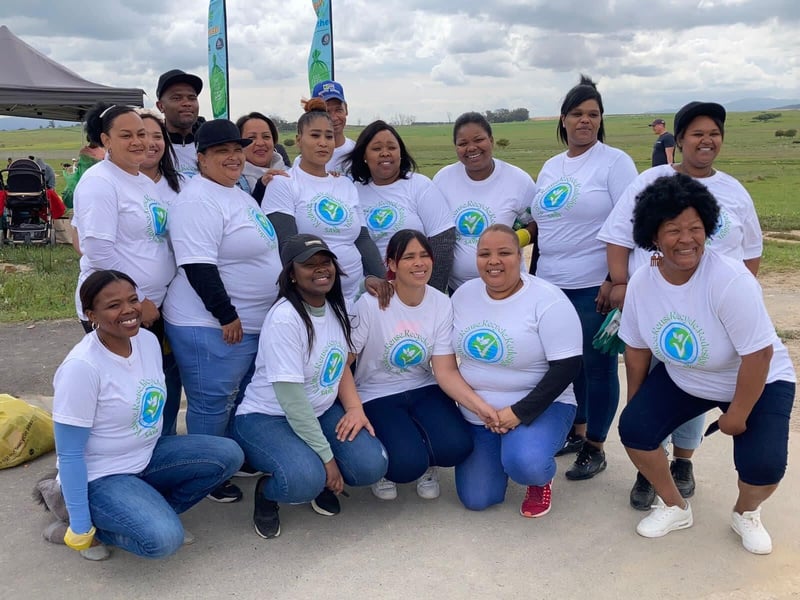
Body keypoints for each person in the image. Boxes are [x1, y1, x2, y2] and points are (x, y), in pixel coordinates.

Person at [617, 173, 795, 555]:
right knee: (634, 430)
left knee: (764, 468)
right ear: (653, 237)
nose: (687, 239)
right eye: (673, 230)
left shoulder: (729, 280)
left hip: (757, 378)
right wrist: (636, 402)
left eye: (695, 228)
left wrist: (738, 414)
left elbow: (759, 355)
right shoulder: (642, 283)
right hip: (687, 377)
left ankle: (746, 512)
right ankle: (675, 506)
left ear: (708, 229)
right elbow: (636, 349)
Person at [598, 101, 763, 509]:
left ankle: (683, 462)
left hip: (711, 311)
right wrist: (621, 283)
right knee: (652, 382)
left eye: (714, 134)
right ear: (681, 138)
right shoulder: (651, 180)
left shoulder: (735, 192)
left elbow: (751, 252)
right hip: (656, 304)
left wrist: (740, 301)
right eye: (697, 134)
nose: (706, 141)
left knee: (696, 376)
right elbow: (618, 236)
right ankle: (647, 467)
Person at [46, 270, 243, 560]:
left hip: (147, 456)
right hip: (101, 475)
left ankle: (156, 516)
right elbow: (70, 453)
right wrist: (80, 526)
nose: (129, 310)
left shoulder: (148, 342)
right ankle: (85, 528)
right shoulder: (82, 367)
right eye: (114, 305)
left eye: (133, 299)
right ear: (91, 315)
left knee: (228, 454)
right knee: (163, 541)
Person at [232, 234, 388, 538]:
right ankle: (269, 492)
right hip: (268, 417)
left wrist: (354, 409)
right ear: (291, 274)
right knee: (305, 478)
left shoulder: (336, 307)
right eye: (309, 264)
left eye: (325, 262)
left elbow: (338, 364)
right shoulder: (285, 319)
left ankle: (315, 473)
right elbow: (292, 401)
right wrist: (328, 459)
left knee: (371, 465)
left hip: (320, 411)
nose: (320, 269)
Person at [162, 119, 282, 503]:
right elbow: (198, 265)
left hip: (247, 323)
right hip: (210, 324)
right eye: (221, 151)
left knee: (238, 397)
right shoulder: (197, 200)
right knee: (212, 402)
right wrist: (226, 314)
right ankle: (207, 472)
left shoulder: (236, 192)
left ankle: (229, 457)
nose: (233, 157)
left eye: (236, 149)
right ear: (201, 158)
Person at [530, 75, 638, 479]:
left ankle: (596, 445)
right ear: (563, 119)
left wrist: (616, 278)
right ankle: (576, 431)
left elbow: (631, 223)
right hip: (550, 285)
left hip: (594, 286)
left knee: (598, 367)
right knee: (565, 366)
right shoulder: (551, 166)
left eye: (593, 114)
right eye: (577, 113)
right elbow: (542, 225)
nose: (585, 121)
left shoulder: (615, 162)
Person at [451, 225, 583, 517]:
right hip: (479, 413)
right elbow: (446, 362)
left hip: (540, 406)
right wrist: (481, 408)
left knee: (527, 464)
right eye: (484, 254)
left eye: (504, 253)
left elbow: (567, 367)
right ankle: (504, 451)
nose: (493, 261)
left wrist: (518, 413)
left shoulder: (548, 300)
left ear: (520, 256)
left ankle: (538, 478)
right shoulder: (463, 295)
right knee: (477, 498)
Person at [351, 230, 478, 500]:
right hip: (376, 392)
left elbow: (443, 369)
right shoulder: (370, 303)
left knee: (457, 447)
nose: (419, 263)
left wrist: (482, 408)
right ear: (392, 264)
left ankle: (428, 462)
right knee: (406, 465)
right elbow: (343, 363)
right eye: (409, 257)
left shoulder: (441, 302)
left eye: (424, 255)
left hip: (423, 385)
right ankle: (389, 466)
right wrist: (352, 408)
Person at [264, 98, 389, 305]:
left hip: (356, 296)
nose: (323, 142)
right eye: (315, 135)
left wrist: (383, 281)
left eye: (329, 136)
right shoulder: (283, 183)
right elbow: (286, 246)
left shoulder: (345, 184)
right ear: (299, 140)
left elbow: (362, 239)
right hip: (313, 299)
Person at [71, 103, 175, 338]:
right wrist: (137, 300)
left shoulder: (143, 181)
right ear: (106, 140)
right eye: (126, 136)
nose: (138, 142)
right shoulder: (100, 182)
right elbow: (99, 252)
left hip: (151, 304)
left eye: (141, 134)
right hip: (120, 308)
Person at [433, 112, 537, 292]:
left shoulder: (519, 181)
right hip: (458, 290)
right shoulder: (442, 179)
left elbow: (538, 224)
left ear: (491, 141)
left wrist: (517, 239)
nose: (471, 148)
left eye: (478, 140)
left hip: (508, 288)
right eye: (462, 143)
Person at [348, 121, 455, 292]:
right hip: (373, 291)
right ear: (364, 156)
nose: (385, 153)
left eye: (392, 147)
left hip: (418, 289)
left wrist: (430, 293)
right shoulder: (353, 191)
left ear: (401, 153)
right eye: (376, 148)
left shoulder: (419, 185)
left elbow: (442, 241)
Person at [137, 108, 184, 435]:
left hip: (174, 298)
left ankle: (165, 439)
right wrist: (137, 298)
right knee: (138, 377)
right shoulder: (113, 182)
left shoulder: (178, 185)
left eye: (157, 136)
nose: (150, 143)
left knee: (170, 371)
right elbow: (89, 246)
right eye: (141, 135)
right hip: (135, 303)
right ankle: (138, 444)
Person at [292, 80, 354, 174]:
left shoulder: (358, 152)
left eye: (338, 110)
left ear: (346, 110)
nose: (334, 118)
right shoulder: (301, 162)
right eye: (327, 111)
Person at [155, 69, 203, 177]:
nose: (187, 103)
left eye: (192, 98)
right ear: (161, 106)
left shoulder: (211, 143)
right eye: (177, 98)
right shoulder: (151, 147)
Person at [236, 111, 290, 201]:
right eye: (252, 137)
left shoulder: (291, 175)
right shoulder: (231, 182)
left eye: (266, 137)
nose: (260, 143)